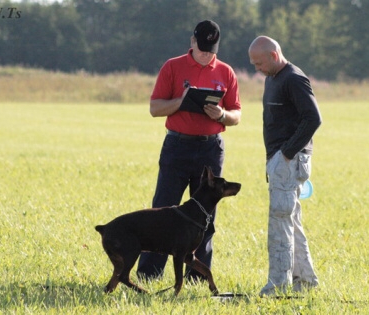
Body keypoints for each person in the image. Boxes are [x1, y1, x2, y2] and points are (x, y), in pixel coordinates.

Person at [137, 20, 241, 282]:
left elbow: (236, 114)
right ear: (192, 41)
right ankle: (149, 274)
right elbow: (155, 108)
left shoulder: (226, 72)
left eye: (212, 50)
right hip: (177, 146)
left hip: (210, 148)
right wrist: (181, 102)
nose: (207, 55)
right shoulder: (172, 67)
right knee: (162, 210)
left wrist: (222, 114)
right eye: (203, 48)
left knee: (205, 215)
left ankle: (197, 277)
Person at [248, 36, 322, 296]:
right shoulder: (272, 77)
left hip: (289, 160)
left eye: (259, 63)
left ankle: (278, 286)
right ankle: (305, 280)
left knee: (279, 221)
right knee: (290, 219)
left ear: (274, 54)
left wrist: (287, 154)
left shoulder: (294, 78)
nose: (257, 68)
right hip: (279, 161)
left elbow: (313, 118)